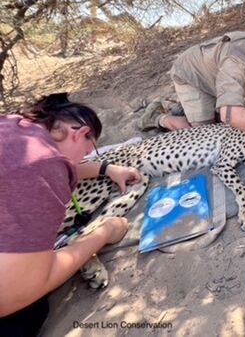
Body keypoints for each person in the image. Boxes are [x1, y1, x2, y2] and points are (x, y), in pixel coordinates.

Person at [0, 93, 141, 336]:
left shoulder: (13, 126)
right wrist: (102, 235)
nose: (83, 158)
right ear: (79, 133)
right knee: (30, 312)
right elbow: (13, 296)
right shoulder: (43, 165)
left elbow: (59, 165)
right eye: (87, 151)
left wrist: (106, 168)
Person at [143, 32, 245, 149]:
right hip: (192, 76)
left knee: (225, 124)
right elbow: (230, 115)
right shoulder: (236, 60)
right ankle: (158, 117)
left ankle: (183, 108)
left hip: (217, 79)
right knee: (204, 136)